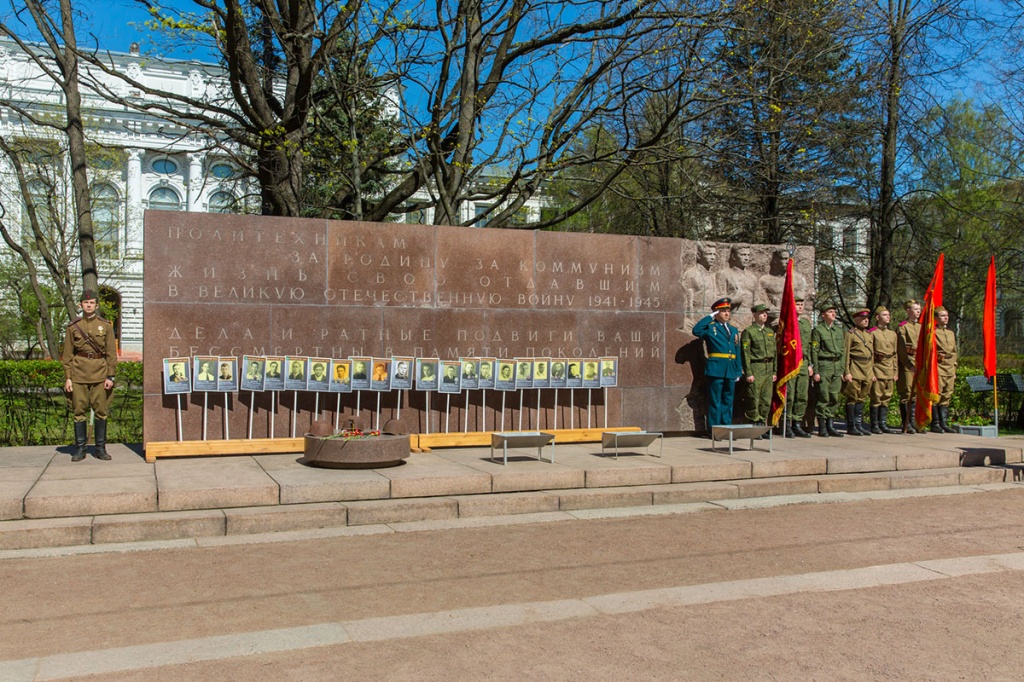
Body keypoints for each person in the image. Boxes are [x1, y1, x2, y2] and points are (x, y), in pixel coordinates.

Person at [61, 289, 117, 461]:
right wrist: (68, 377)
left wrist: (110, 376)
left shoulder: (105, 325)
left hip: (100, 374)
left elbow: (111, 354)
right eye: (86, 303)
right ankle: (80, 449)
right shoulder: (73, 327)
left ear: (96, 305)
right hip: (79, 374)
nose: (89, 305)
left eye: (92, 303)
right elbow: (68, 354)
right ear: (81, 305)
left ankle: (100, 448)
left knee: (101, 411)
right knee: (79, 411)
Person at [692, 297, 742, 429]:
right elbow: (696, 330)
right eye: (723, 311)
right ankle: (715, 428)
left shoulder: (733, 330)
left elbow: (737, 352)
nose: (727, 314)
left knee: (728, 400)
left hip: (730, 369)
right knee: (715, 400)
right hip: (716, 368)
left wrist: (738, 370)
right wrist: (710, 317)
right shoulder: (711, 327)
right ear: (716, 312)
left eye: (728, 311)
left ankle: (725, 427)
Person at [810, 302, 845, 438]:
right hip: (824, 365)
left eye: (834, 311)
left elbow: (842, 351)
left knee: (834, 396)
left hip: (836, 366)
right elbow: (815, 351)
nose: (833, 314)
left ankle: (831, 425)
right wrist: (816, 370)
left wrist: (841, 369)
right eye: (830, 312)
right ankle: (822, 426)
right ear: (823, 315)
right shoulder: (818, 330)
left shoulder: (838, 331)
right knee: (823, 395)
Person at [741, 304, 776, 436]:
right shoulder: (749, 332)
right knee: (754, 397)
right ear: (754, 315)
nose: (764, 315)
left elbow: (775, 353)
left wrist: (774, 371)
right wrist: (748, 372)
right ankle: (755, 424)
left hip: (768, 367)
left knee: (766, 398)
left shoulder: (769, 332)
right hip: (756, 367)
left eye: (765, 313)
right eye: (761, 313)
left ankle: (762, 423)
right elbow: (746, 353)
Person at [782, 297, 812, 438]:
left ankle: (797, 423)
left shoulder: (805, 323)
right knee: (790, 394)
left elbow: (809, 345)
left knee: (802, 395)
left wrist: (810, 364)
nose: (800, 307)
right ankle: (787, 424)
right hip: (792, 362)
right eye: (797, 304)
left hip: (804, 362)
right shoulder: (787, 323)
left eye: (801, 304)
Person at [842, 307, 875, 436]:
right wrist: (846, 371)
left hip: (867, 369)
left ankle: (859, 424)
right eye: (863, 318)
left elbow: (871, 355)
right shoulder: (851, 334)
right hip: (855, 367)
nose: (866, 321)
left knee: (862, 397)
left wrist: (871, 372)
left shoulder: (869, 334)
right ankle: (851, 426)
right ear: (856, 320)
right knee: (852, 397)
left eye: (867, 318)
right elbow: (846, 354)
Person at [869, 306, 900, 434]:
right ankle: (874, 424)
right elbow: (870, 354)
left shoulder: (892, 334)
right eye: (884, 315)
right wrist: (871, 372)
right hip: (878, 367)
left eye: (888, 314)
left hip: (889, 368)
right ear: (877, 317)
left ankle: (883, 423)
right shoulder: (872, 333)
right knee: (876, 397)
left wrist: (895, 371)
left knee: (887, 397)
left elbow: (895, 354)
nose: (888, 317)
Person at [896, 299, 922, 433]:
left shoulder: (921, 327)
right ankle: (906, 423)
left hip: (919, 362)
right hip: (908, 362)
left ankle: (913, 422)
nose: (918, 311)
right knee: (907, 393)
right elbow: (901, 349)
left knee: (916, 394)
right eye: (915, 309)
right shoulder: (903, 326)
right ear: (908, 311)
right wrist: (908, 364)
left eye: (919, 309)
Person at [932, 306, 959, 433]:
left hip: (949, 367)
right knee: (937, 395)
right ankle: (935, 423)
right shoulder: (933, 332)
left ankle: (944, 423)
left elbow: (954, 352)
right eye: (942, 316)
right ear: (936, 318)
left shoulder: (950, 333)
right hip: (938, 366)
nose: (946, 317)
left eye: (947, 315)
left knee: (947, 394)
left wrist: (954, 368)